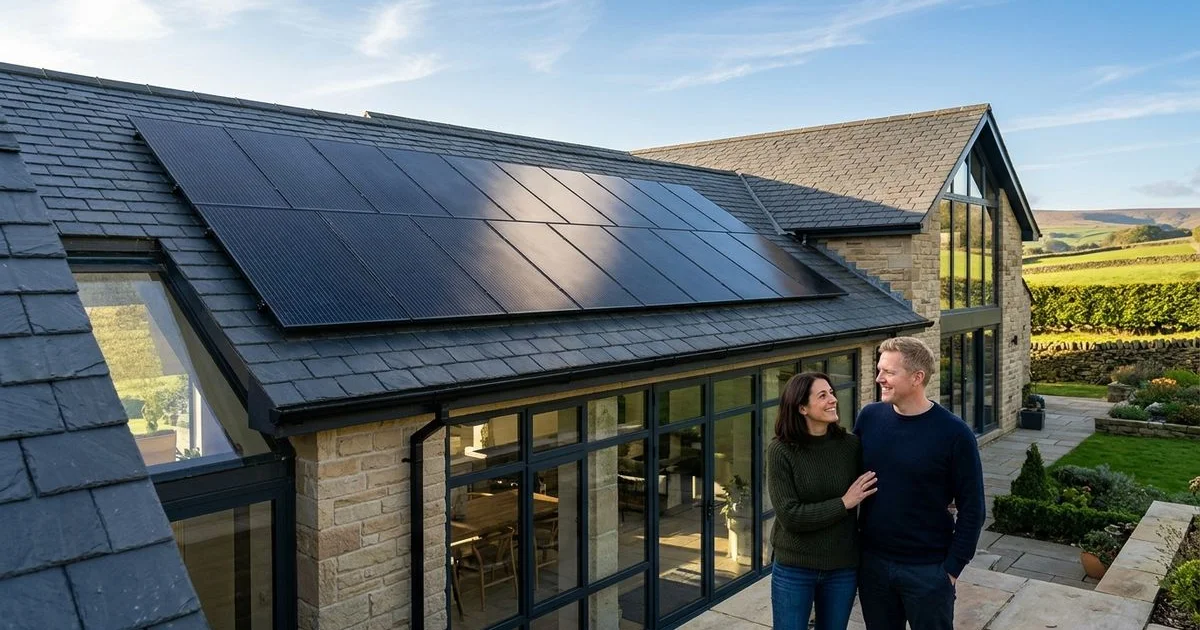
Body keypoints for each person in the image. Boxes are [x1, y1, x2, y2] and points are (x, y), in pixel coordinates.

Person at [853, 337, 985, 630]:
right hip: (873, 565)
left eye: (889, 372)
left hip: (928, 571)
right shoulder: (869, 417)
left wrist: (951, 571)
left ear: (917, 377)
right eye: (879, 369)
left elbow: (973, 509)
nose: (879, 378)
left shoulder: (954, 434)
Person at [767, 371, 878, 630]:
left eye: (832, 393)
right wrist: (844, 503)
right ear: (802, 407)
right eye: (823, 395)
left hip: (842, 567)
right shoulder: (781, 450)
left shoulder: (850, 446)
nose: (833, 400)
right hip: (794, 567)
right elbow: (790, 515)